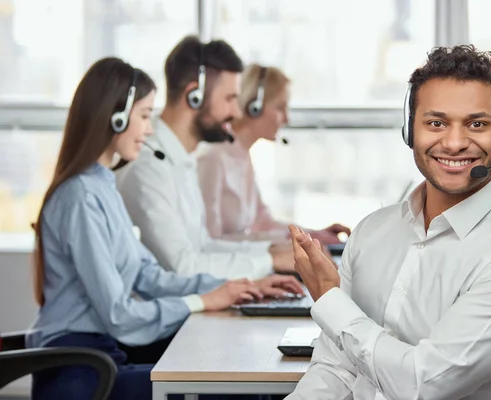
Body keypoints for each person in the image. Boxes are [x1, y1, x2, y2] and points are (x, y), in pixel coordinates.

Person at [286, 45, 491, 399]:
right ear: (409, 131)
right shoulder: (372, 232)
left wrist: (329, 299)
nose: (456, 142)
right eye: (436, 123)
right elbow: (336, 368)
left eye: (477, 124)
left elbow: (424, 385)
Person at [26, 57, 303, 400]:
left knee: (236, 378)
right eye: (144, 116)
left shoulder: (102, 187)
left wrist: (233, 288)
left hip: (104, 357)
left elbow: (150, 275)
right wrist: (200, 301)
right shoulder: (81, 197)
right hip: (80, 372)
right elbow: (119, 314)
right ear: (115, 118)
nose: (150, 129)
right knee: (230, 391)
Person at [115, 37, 299, 280]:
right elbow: (181, 265)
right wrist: (270, 260)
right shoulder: (148, 167)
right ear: (195, 96)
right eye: (229, 99)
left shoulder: (183, 158)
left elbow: (202, 245)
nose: (236, 112)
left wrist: (271, 251)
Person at [196, 64, 351, 245]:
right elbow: (211, 242)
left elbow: (262, 222)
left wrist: (310, 235)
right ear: (254, 107)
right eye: (280, 108)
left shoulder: (242, 155)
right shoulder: (213, 158)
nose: (286, 119)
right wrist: (287, 241)